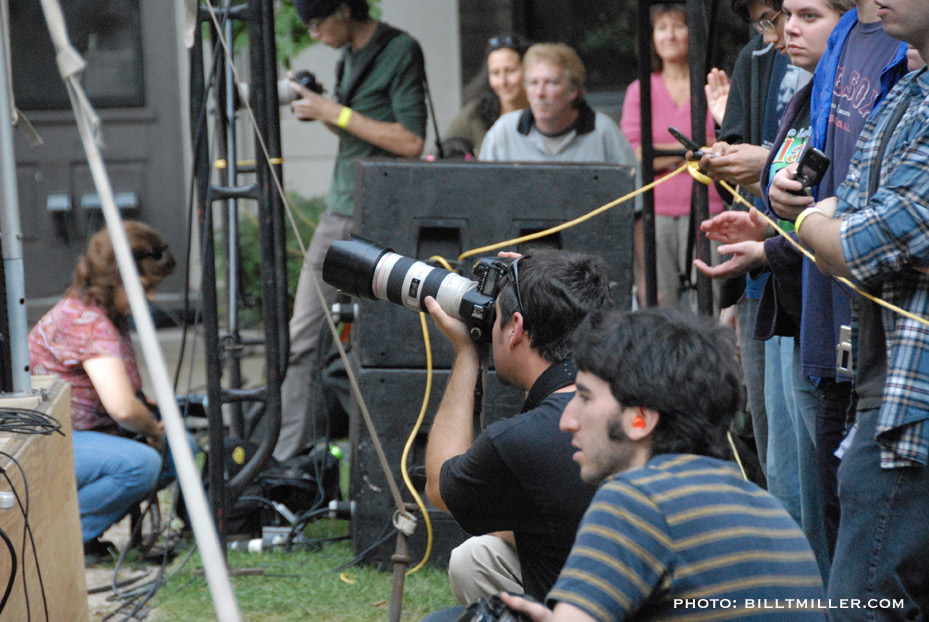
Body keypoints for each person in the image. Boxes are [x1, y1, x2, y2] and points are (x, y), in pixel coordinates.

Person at [501, 308, 826, 622]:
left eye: (585, 398)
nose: (567, 421)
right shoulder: (774, 514)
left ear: (640, 420)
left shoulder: (636, 501)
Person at [792, 0, 929, 614]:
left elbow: (861, 241)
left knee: (859, 601)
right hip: (884, 388)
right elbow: (846, 209)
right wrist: (823, 223)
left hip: (913, 400)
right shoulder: (909, 92)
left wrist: (806, 219)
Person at [277, 0, 427, 461]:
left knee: (377, 344)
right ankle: (287, 463)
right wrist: (326, 112)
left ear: (344, 9)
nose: (315, 34)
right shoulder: (349, 56)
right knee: (301, 336)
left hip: (384, 211)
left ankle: (380, 460)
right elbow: (362, 133)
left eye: (318, 23)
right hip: (339, 206)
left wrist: (333, 113)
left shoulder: (400, 50)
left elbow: (410, 141)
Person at [423, 250, 613, 606]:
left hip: (595, 607)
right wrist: (544, 274)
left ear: (515, 328)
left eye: (495, 320)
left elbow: (439, 486)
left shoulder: (521, 439)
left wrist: (466, 353)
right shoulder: (639, 398)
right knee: (476, 557)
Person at [28, 222, 178, 563]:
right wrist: (152, 430)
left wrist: (149, 411)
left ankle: (85, 534)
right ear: (116, 279)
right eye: (146, 287)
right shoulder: (87, 322)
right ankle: (54, 538)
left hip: (81, 435)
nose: (152, 297)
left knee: (182, 448)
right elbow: (123, 408)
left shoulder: (102, 312)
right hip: (52, 441)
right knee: (141, 464)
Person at [620, 3, 725, 309]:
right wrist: (694, 151)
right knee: (662, 306)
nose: (670, 35)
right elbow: (637, 156)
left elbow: (728, 149)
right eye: (661, 28)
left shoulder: (715, 84)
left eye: (679, 26)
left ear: (694, 32)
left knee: (712, 303)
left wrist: (667, 153)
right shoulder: (639, 89)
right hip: (657, 213)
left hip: (712, 210)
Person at [479, 43, 635, 165]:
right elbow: (481, 195)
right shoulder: (503, 132)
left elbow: (634, 196)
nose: (540, 93)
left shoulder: (603, 131)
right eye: (533, 83)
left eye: (551, 83)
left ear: (573, 89)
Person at [442, 35, 531, 158]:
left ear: (529, 70)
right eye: (495, 73)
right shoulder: (476, 113)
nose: (503, 81)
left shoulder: (544, 109)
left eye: (510, 71)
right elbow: (442, 153)